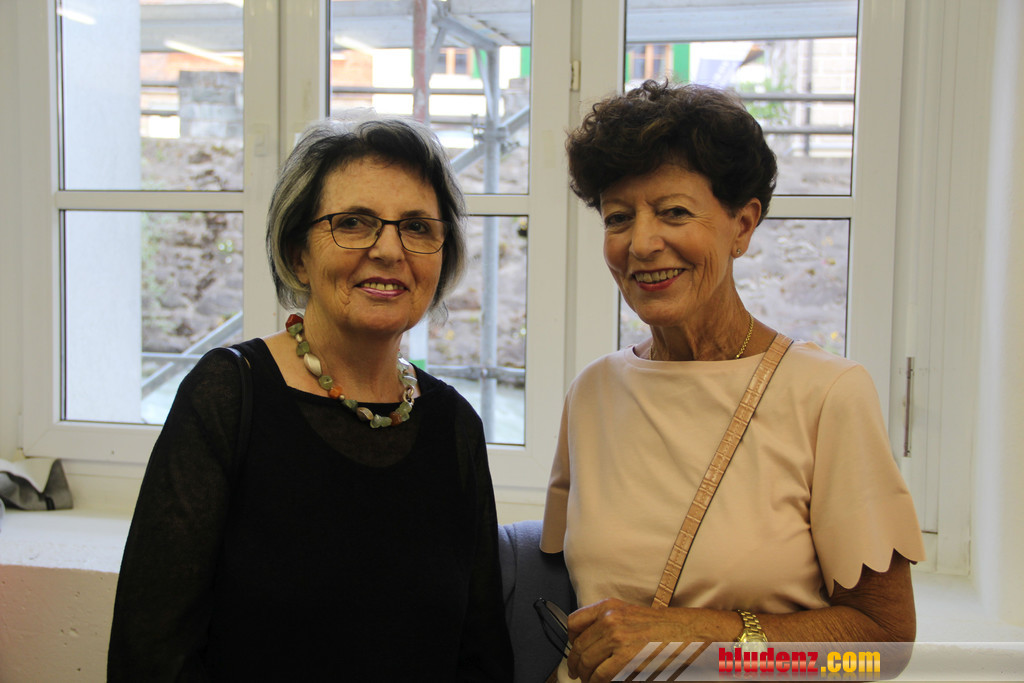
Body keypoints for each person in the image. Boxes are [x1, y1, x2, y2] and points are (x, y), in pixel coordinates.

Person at [540, 81, 925, 683]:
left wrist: (707, 636)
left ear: (742, 225)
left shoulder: (828, 395)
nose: (642, 243)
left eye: (674, 212)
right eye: (618, 218)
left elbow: (881, 650)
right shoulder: (593, 392)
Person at [108, 114, 513, 681]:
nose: (390, 250)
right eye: (354, 222)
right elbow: (151, 654)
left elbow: (482, 654)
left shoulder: (454, 425)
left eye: (418, 227)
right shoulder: (229, 395)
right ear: (299, 253)